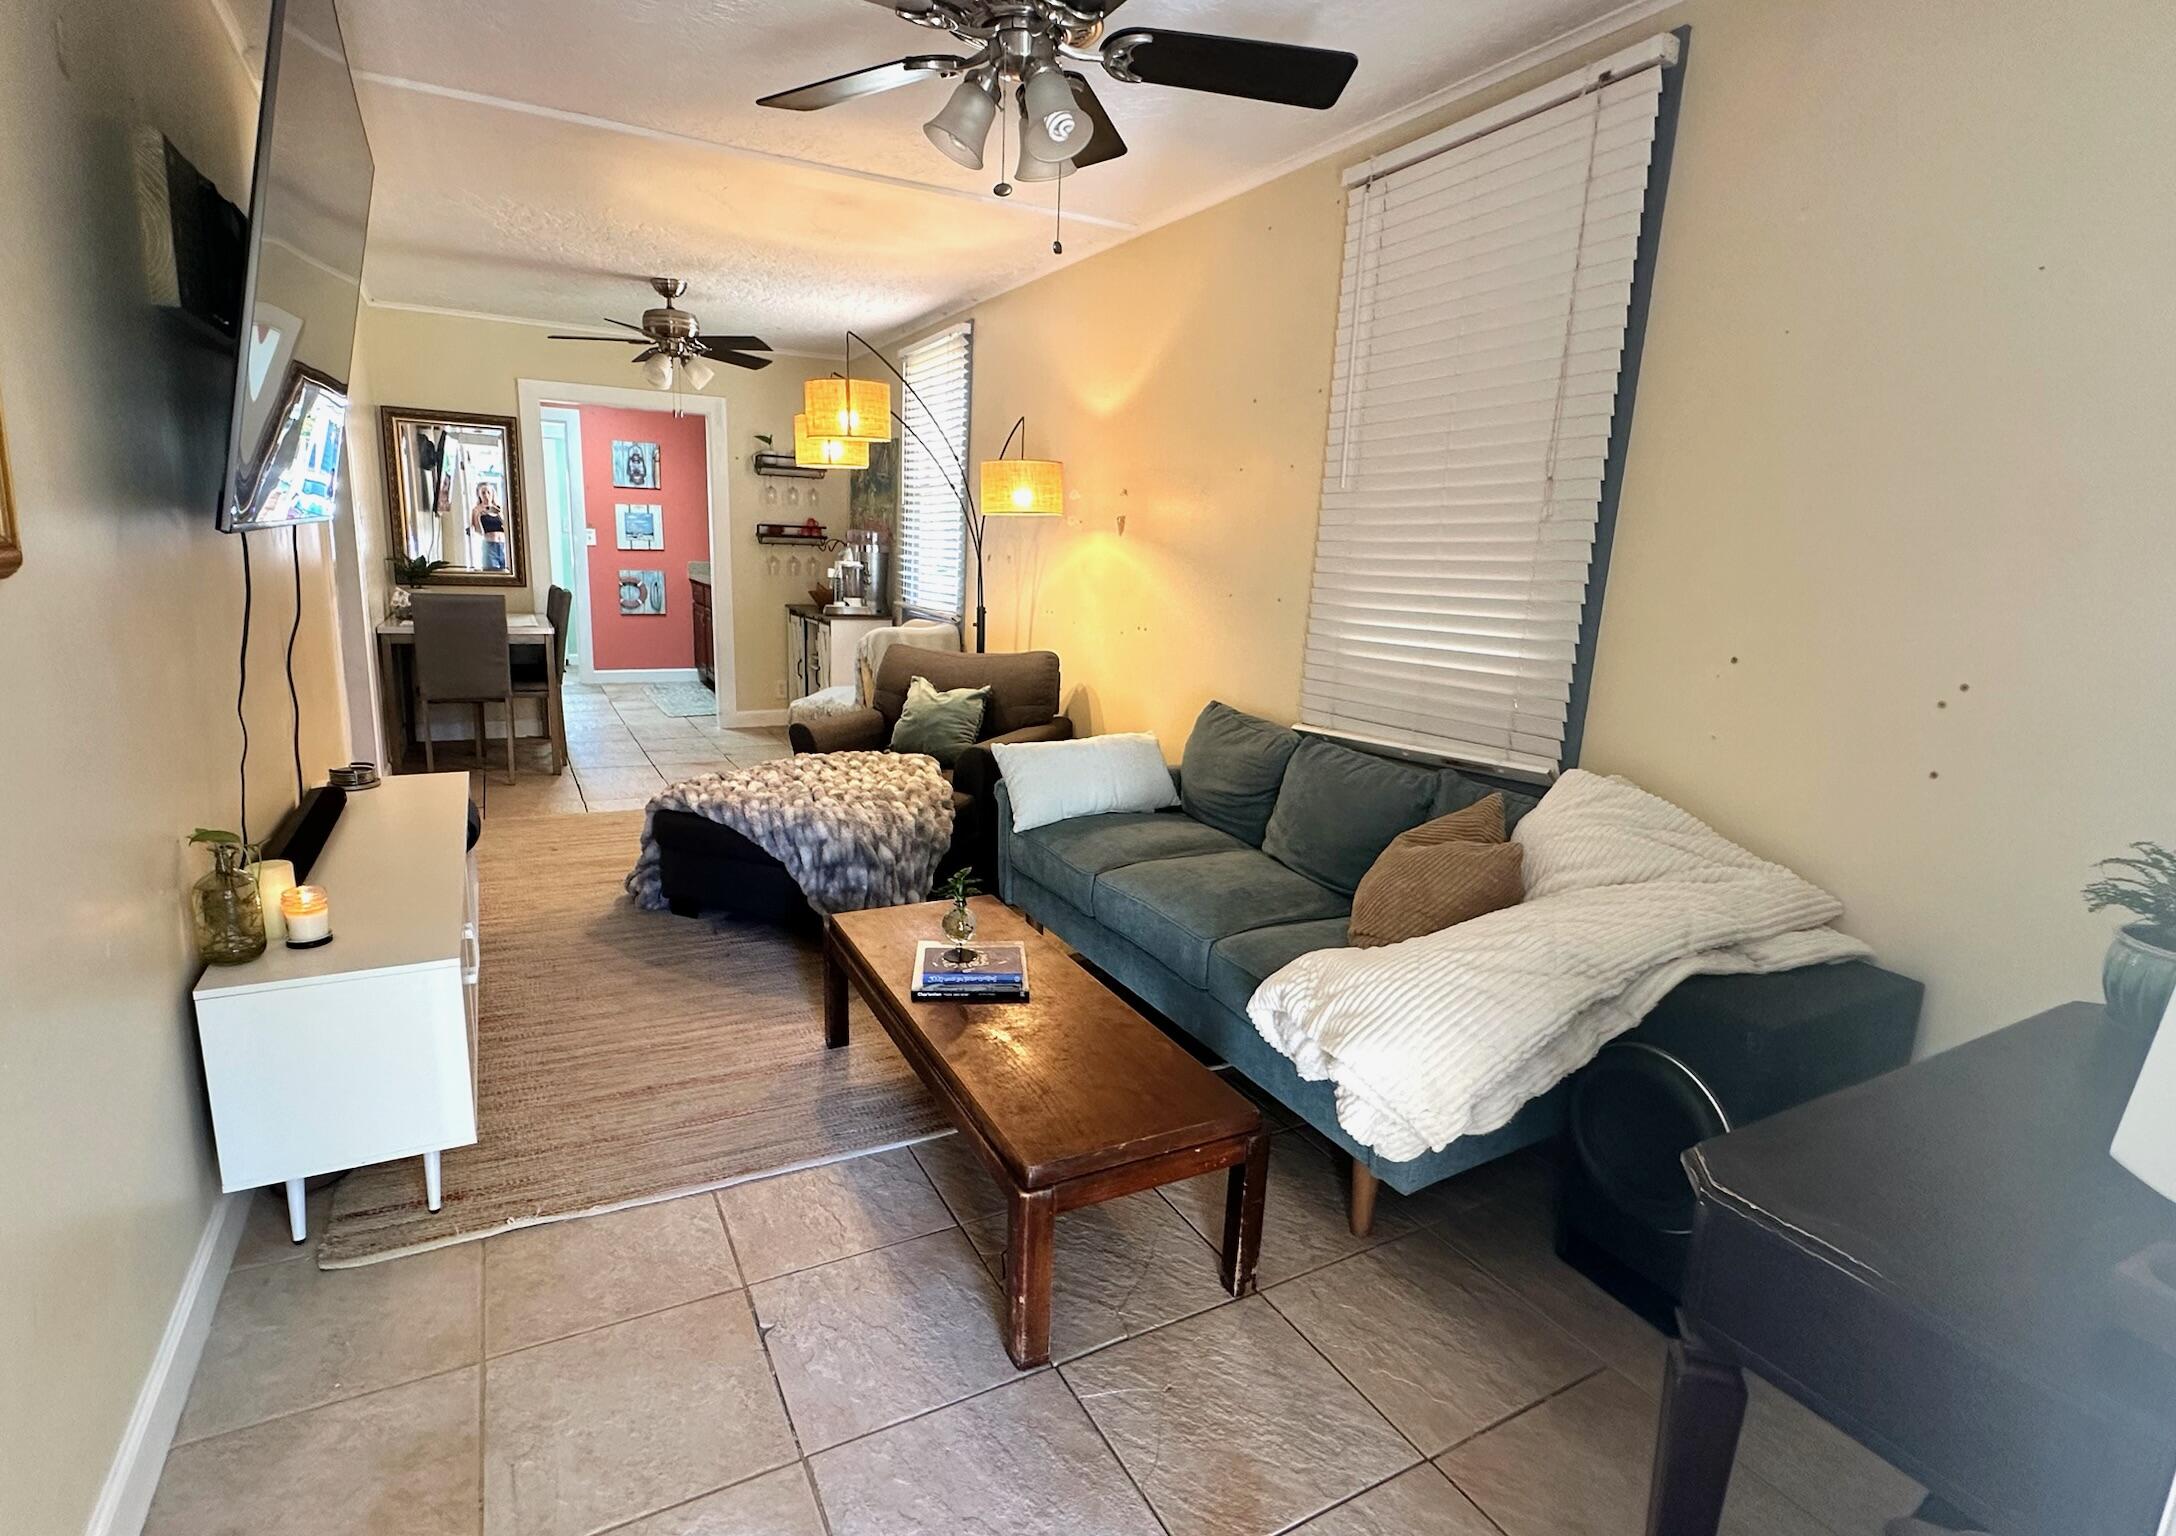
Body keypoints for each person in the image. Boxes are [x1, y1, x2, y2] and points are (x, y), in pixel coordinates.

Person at [471, 483, 509, 571]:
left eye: (488, 492)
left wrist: (499, 513)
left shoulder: (498, 509)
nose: (486, 495)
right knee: (492, 573)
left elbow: (506, 528)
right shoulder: (476, 510)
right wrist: (478, 515)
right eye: (483, 493)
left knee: (507, 573)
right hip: (489, 546)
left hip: (503, 545)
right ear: (479, 495)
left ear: (492, 494)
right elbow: (479, 531)